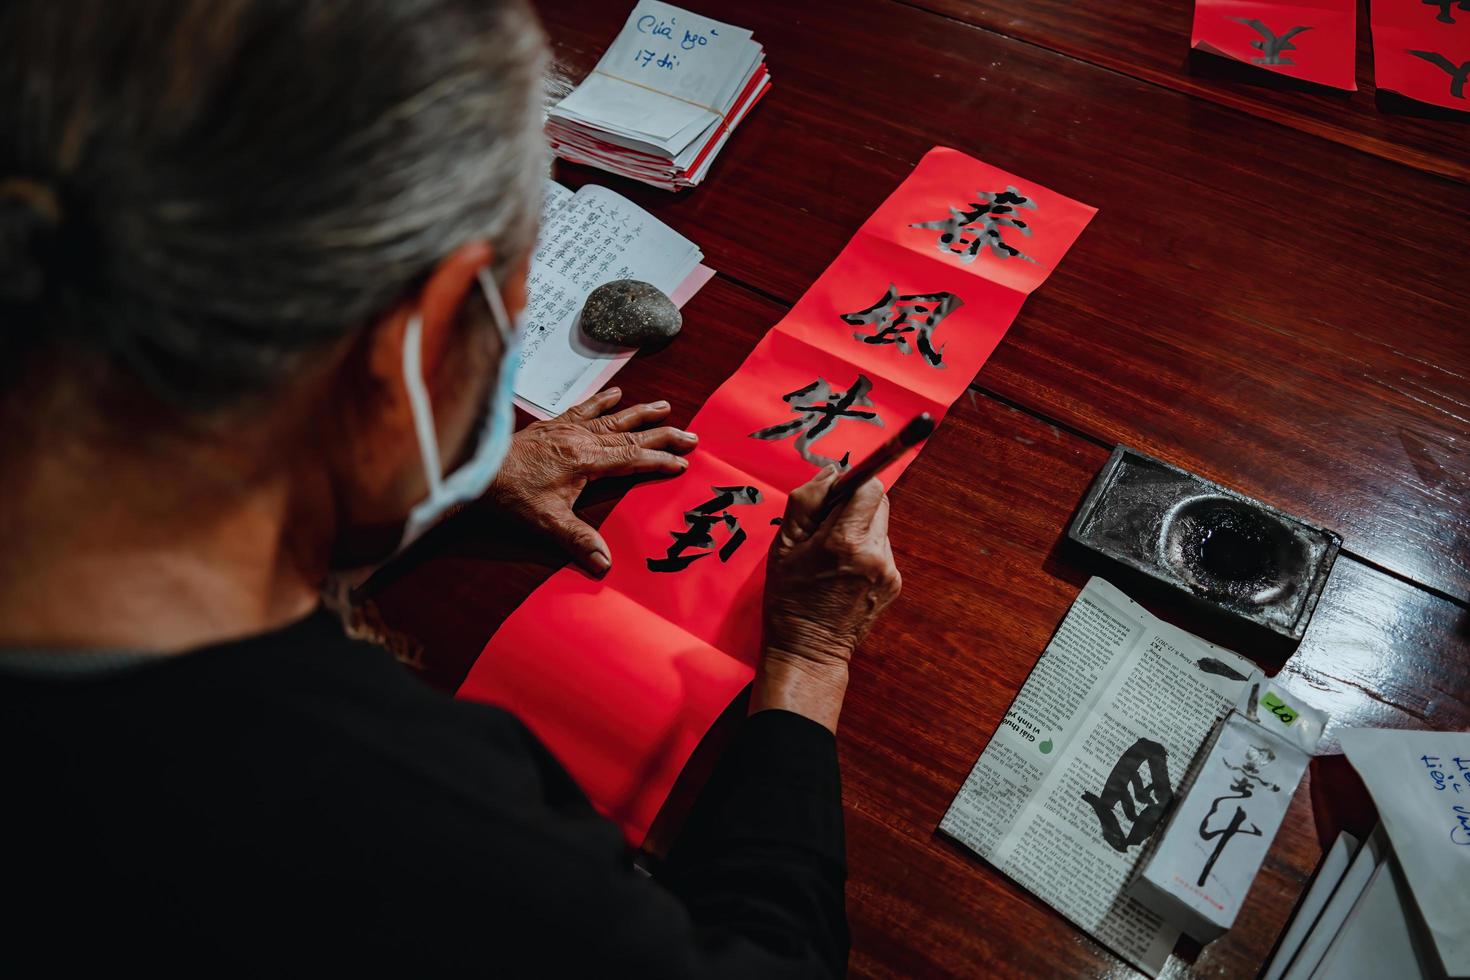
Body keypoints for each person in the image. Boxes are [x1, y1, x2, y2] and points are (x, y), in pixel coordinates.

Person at [0, 1, 902, 976]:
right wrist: (811, 658)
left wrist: (433, 484)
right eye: (512, 307)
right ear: (415, 343)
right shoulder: (389, 821)